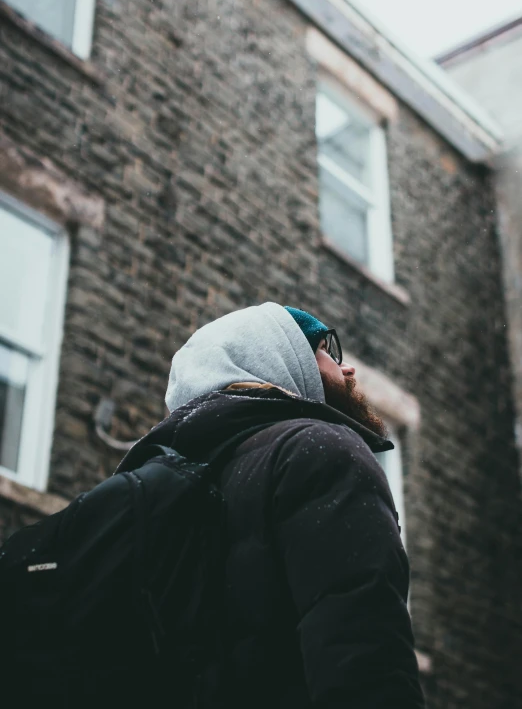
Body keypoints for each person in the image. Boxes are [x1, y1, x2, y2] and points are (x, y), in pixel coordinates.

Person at [143, 302, 425, 708]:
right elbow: (366, 659)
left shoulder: (162, 485)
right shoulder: (321, 452)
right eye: (325, 350)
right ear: (279, 359)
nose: (348, 370)